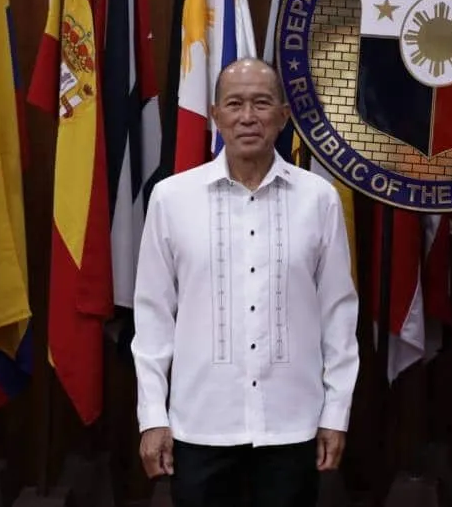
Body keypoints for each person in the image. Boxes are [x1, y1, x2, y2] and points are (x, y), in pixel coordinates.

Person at [131, 58, 359, 507]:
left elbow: (338, 314)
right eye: (235, 104)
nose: (248, 116)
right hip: (200, 425)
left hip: (292, 426)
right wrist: (152, 416)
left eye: (261, 103)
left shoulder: (319, 199)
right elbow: (153, 316)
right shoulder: (172, 198)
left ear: (283, 115)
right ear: (215, 115)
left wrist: (336, 413)